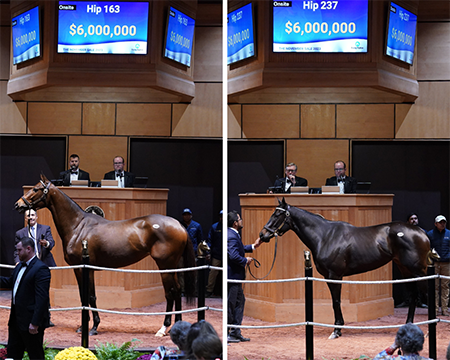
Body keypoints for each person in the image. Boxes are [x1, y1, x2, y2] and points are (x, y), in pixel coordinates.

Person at [0, 237, 51, 360]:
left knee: (35, 355)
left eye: (19, 250)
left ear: (29, 249)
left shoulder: (41, 269)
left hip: (31, 324)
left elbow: (42, 298)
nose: (17, 253)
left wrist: (35, 323)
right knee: (12, 355)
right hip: (16, 322)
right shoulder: (19, 267)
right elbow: (10, 283)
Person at [227, 210, 262, 343]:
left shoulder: (232, 234)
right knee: (232, 304)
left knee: (239, 302)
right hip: (233, 277)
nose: (242, 221)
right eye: (240, 219)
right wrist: (245, 260)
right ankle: (229, 333)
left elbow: (239, 248)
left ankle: (235, 332)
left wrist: (254, 246)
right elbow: (234, 255)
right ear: (235, 223)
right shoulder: (231, 236)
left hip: (235, 277)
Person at [395, 213, 427, 309]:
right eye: (412, 219)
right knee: (407, 280)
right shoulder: (403, 233)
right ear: (408, 221)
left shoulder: (422, 232)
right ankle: (406, 301)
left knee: (420, 280)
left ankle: (420, 301)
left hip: (419, 261)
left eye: (415, 218)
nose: (414, 220)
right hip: (406, 260)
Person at [427, 215, 450, 316]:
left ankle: (445, 309)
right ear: (435, 224)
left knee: (445, 286)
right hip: (435, 264)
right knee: (434, 287)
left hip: (447, 264)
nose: (442, 224)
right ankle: (435, 309)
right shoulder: (430, 234)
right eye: (440, 222)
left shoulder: (449, 233)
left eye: (444, 222)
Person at [205, 210, 223, 298]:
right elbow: (209, 241)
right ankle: (209, 290)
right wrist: (208, 253)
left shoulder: (230, 227)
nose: (223, 217)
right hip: (217, 255)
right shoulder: (214, 227)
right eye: (221, 216)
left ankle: (227, 292)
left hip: (228, 255)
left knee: (228, 272)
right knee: (213, 273)